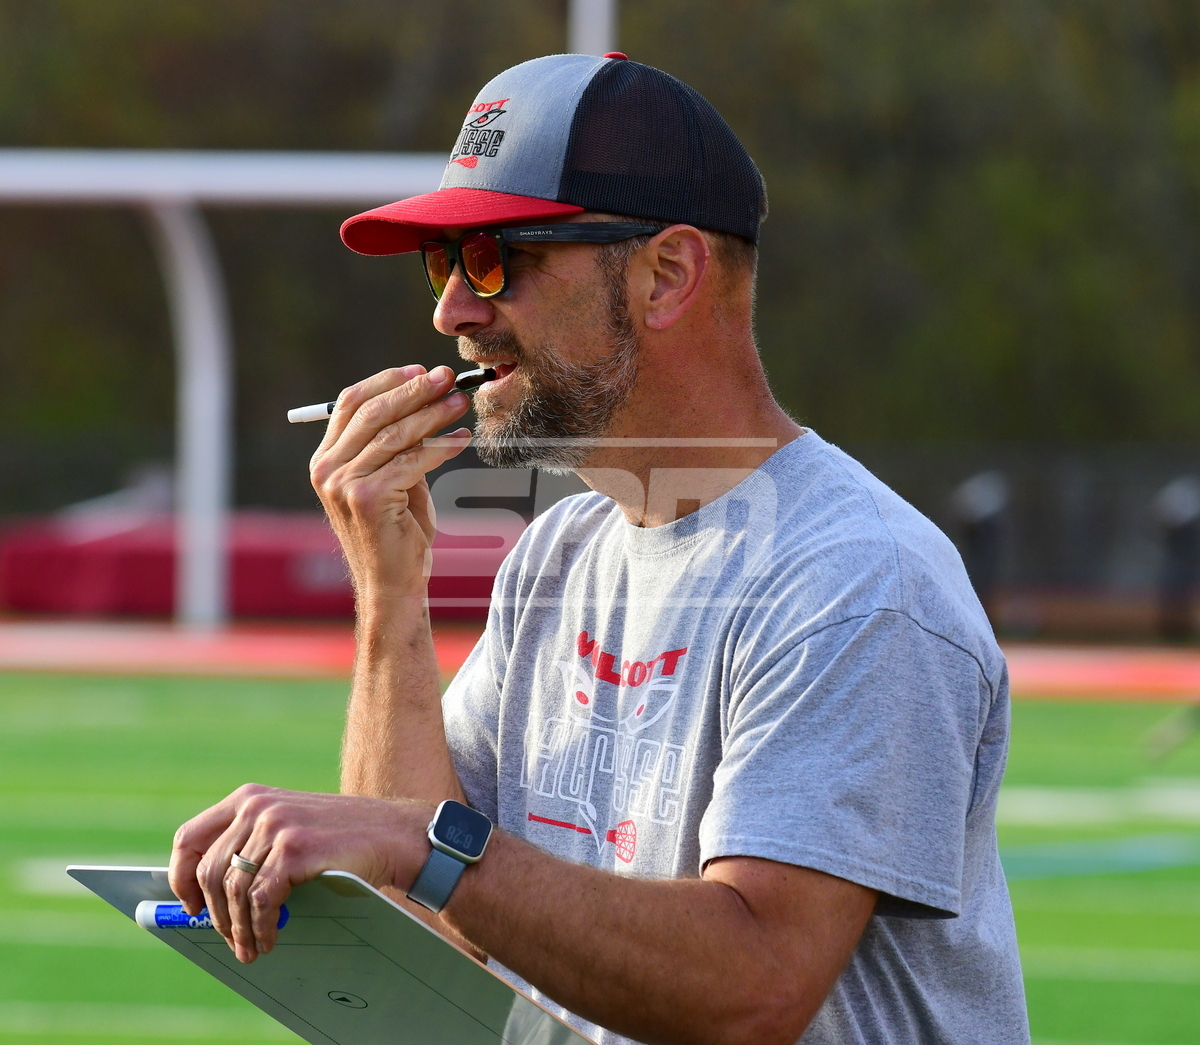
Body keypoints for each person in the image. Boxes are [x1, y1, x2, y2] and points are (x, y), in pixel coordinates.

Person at [169, 54, 1029, 1044]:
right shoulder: (557, 557)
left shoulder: (856, 578)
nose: (452, 311)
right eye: (441, 263)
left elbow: (754, 986)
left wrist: (422, 840)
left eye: (494, 257)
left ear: (667, 275)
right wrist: (390, 595)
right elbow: (423, 937)